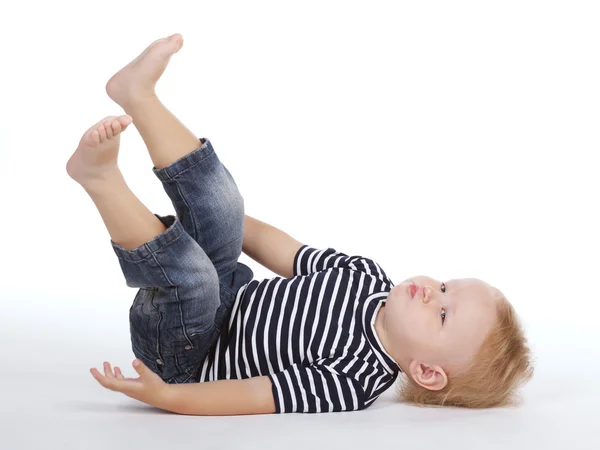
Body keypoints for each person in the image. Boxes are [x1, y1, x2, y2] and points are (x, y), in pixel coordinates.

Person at [66, 34, 533, 416]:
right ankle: (138, 96)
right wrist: (211, 217)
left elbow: (254, 395)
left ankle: (100, 179)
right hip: (229, 290)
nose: (433, 292)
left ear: (427, 371)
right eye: (447, 285)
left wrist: (166, 395)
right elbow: (281, 248)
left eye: (443, 315)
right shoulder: (366, 277)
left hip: (187, 357)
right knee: (224, 206)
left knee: (194, 279)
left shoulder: (355, 379)